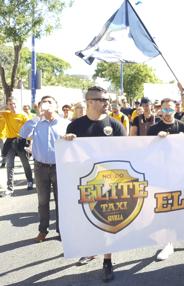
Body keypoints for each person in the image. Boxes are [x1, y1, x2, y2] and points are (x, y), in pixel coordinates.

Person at [63, 86, 126, 282]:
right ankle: (90, 249)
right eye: (102, 99)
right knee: (87, 218)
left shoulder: (115, 126)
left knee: (107, 221)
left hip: (110, 183)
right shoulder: (75, 127)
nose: (107, 103)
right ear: (90, 101)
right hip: (85, 183)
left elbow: (128, 152)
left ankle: (107, 260)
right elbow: (68, 157)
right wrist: (65, 142)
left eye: (107, 99)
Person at [146, 99, 184, 260]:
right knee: (163, 210)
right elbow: (147, 153)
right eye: (164, 110)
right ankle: (167, 244)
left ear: (175, 110)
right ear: (160, 111)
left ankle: (182, 233)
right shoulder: (153, 129)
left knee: (182, 206)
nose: (167, 113)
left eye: (170, 110)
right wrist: (156, 141)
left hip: (180, 174)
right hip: (160, 176)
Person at [20, 96, 69, 242]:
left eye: (50, 102)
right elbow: (23, 133)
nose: (46, 105)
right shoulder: (36, 123)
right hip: (40, 167)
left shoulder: (65, 123)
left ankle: (62, 231)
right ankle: (43, 230)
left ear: (56, 106)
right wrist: (37, 117)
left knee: (61, 201)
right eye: (43, 102)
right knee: (43, 201)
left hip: (59, 168)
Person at [0, 98, 33, 197]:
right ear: (8, 105)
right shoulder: (6, 114)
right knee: (9, 165)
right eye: (10, 104)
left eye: (14, 104)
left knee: (25, 163)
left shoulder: (23, 115)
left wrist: (30, 143)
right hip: (10, 142)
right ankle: (10, 188)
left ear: (17, 104)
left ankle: (30, 181)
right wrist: (4, 107)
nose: (12, 106)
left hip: (21, 141)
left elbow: (30, 129)